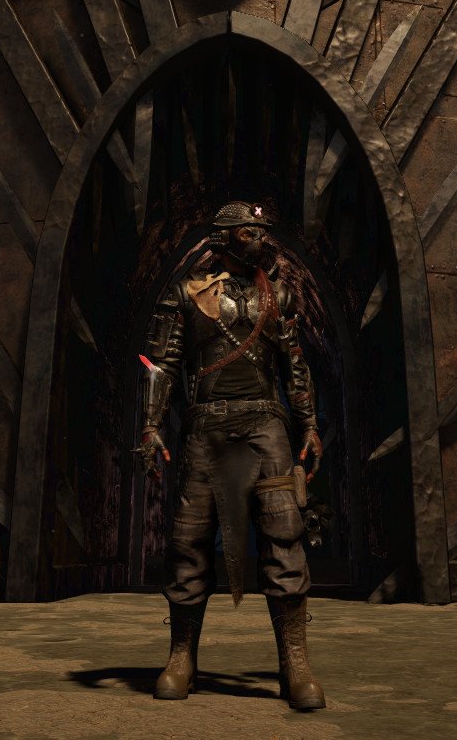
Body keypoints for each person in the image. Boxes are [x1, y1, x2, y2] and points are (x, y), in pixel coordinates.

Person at [135, 201, 327, 709]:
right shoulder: (186, 294)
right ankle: (181, 656)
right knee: (190, 540)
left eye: (261, 232)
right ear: (223, 239)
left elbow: (294, 365)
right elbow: (163, 364)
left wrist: (308, 423)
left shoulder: (277, 296)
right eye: (248, 233)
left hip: (266, 425)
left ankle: (295, 663)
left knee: (284, 535)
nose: (259, 240)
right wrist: (151, 426)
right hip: (207, 426)